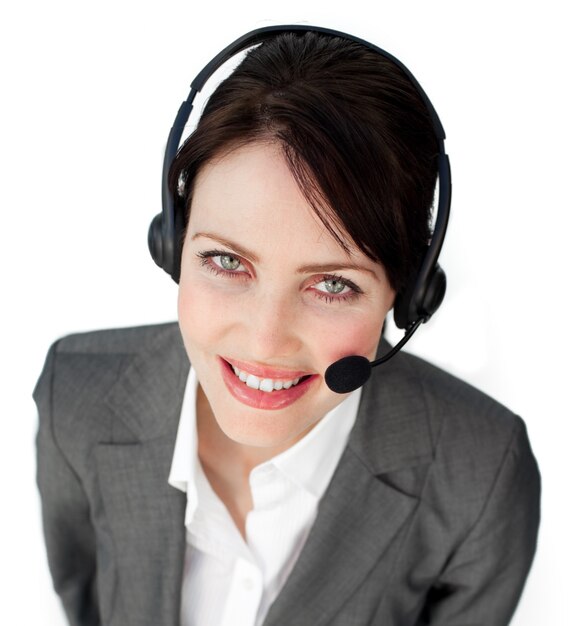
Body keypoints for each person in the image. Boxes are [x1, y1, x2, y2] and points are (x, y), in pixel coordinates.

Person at [34, 26, 540, 626]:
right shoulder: (77, 397)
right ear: (172, 245)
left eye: (333, 284)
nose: (265, 341)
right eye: (226, 261)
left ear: (408, 296)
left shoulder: (480, 473)